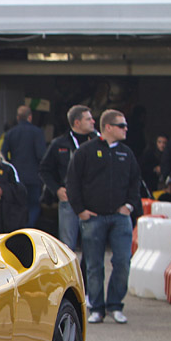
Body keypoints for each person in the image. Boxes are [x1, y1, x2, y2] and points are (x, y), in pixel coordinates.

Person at [66, 109, 141, 325]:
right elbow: (73, 182)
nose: (126, 129)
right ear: (108, 127)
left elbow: (136, 181)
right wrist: (80, 210)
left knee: (122, 261)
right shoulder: (86, 151)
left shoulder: (127, 153)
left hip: (120, 218)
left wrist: (129, 205)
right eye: (121, 126)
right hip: (93, 218)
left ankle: (116, 305)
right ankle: (96, 307)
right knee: (93, 265)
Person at [38, 104, 97, 255]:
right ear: (77, 122)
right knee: (68, 246)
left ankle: (87, 278)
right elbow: (44, 169)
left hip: (92, 200)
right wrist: (56, 189)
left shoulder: (98, 142)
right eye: (88, 119)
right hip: (69, 199)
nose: (93, 122)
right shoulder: (60, 143)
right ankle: (69, 277)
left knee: (92, 246)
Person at [0, 105, 47, 227]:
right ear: (30, 117)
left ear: (17, 118)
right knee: (34, 205)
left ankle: (19, 228)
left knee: (18, 205)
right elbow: (41, 154)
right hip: (33, 176)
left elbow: (2, 154)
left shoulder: (10, 134)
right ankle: (28, 228)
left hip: (16, 176)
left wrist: (11, 165)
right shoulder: (37, 133)